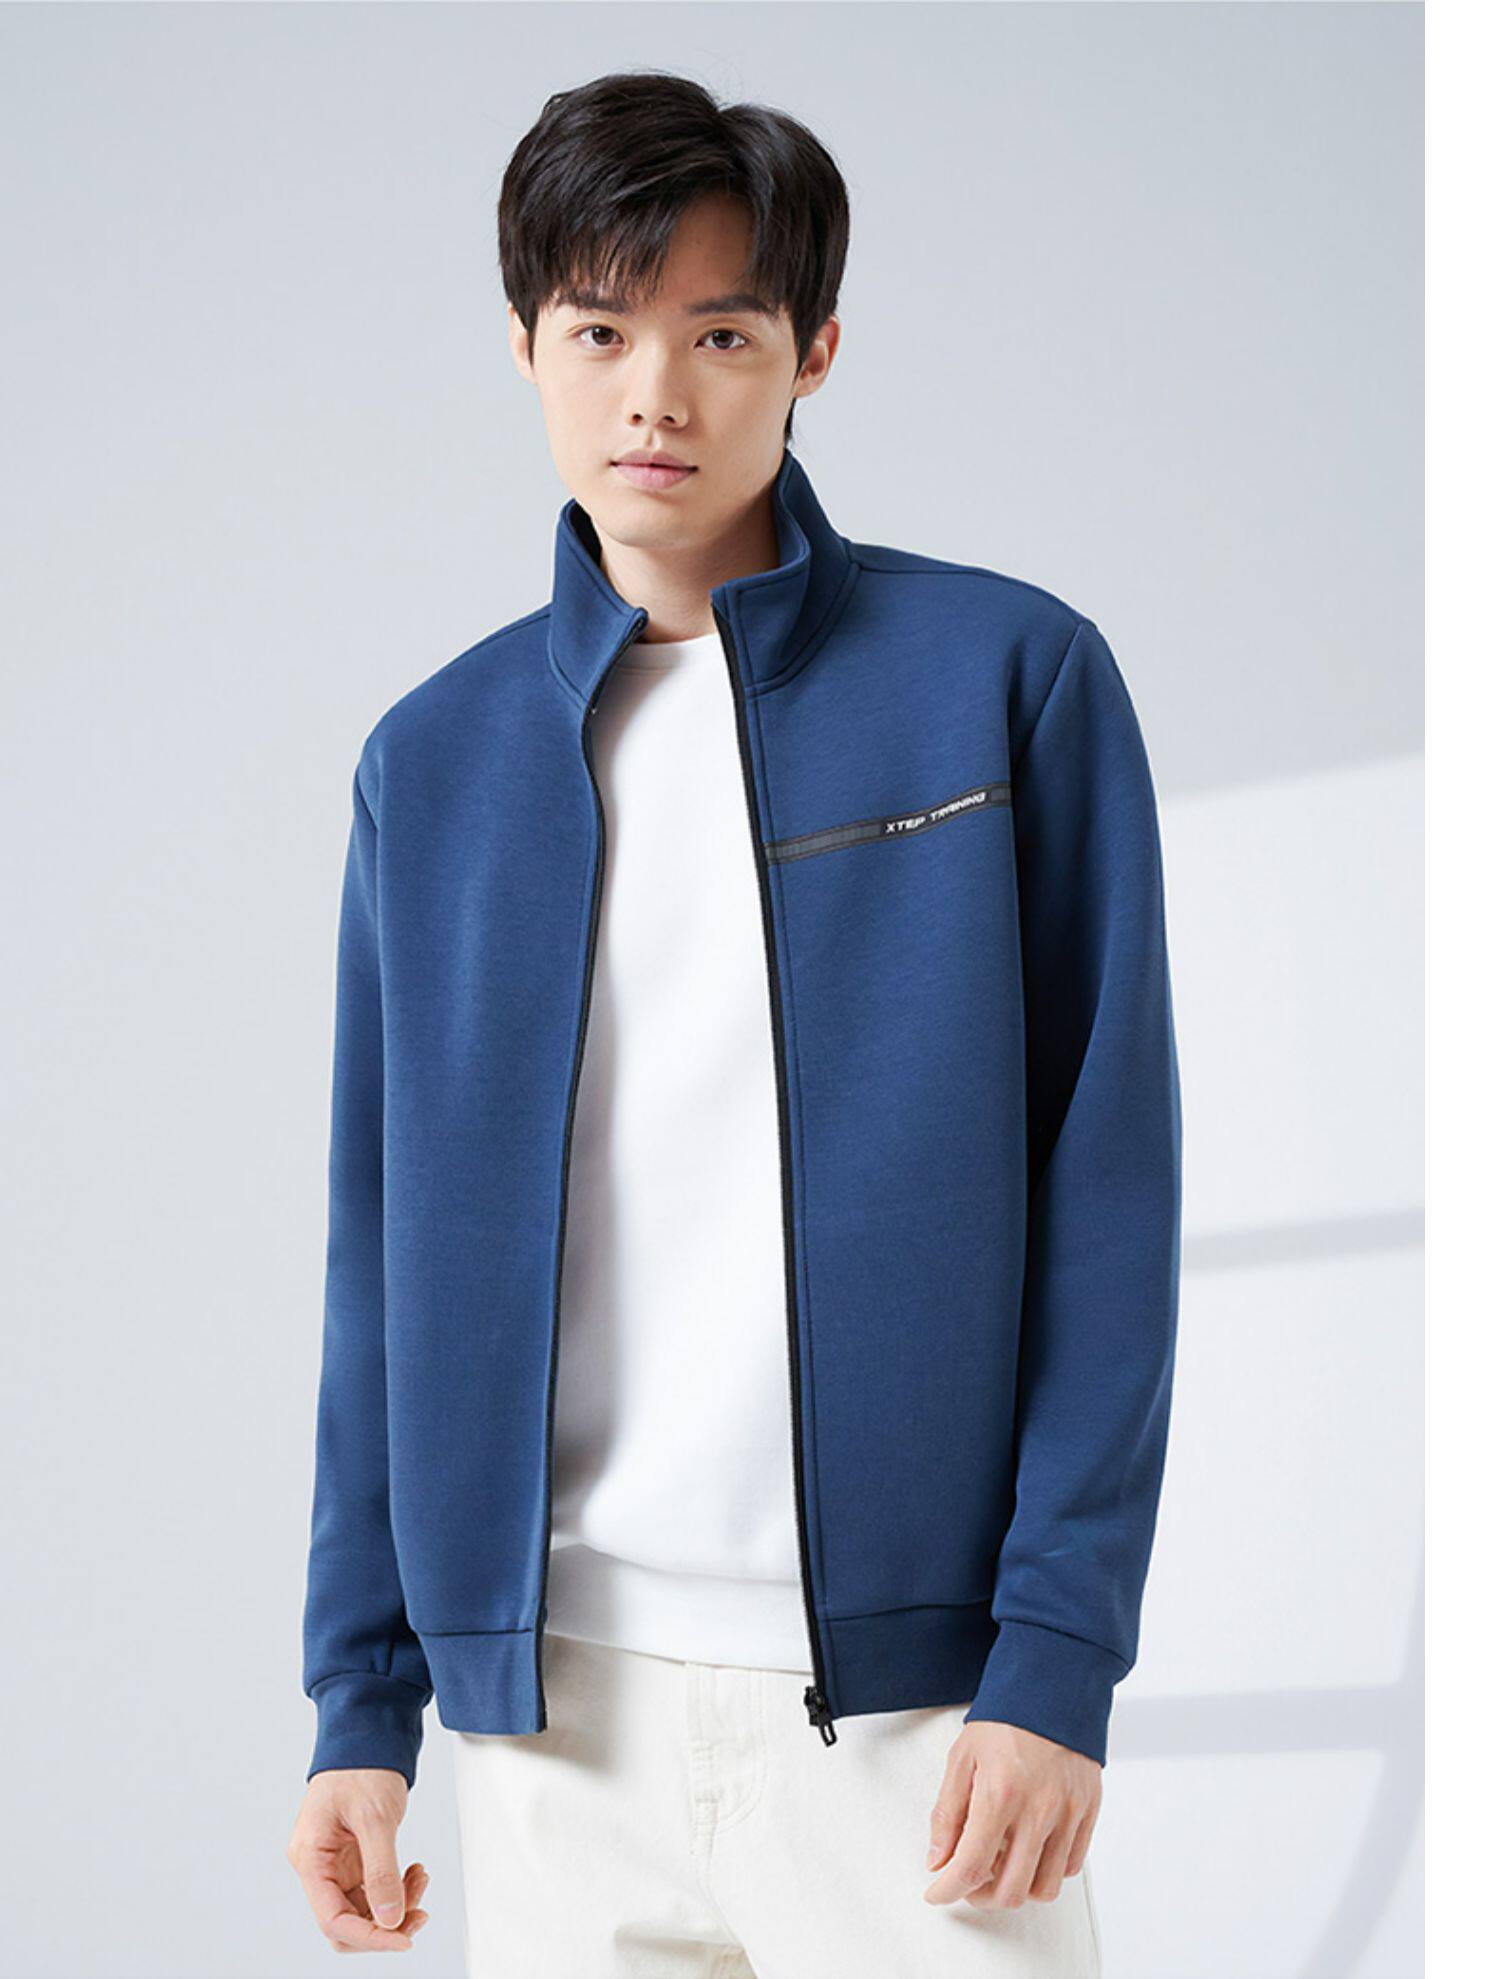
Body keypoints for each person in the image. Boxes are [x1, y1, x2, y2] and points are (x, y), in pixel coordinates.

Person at [285, 69, 1181, 1977]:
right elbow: (385, 1258)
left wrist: (1056, 1659)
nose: (656, 399)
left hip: (915, 1717)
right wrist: (362, 1706)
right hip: (554, 1716)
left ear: (814, 353)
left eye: (721, 335)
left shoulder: (1003, 682)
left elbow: (1108, 1192)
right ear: (522, 344)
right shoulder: (433, 763)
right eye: (600, 332)